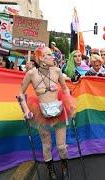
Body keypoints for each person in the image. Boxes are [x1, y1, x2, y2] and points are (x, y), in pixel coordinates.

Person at [18, 47, 75, 180]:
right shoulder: (31, 74)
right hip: (41, 113)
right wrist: (26, 110)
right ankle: (50, 169)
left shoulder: (57, 71)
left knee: (61, 147)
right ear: (41, 59)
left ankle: (64, 166)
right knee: (47, 145)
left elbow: (66, 90)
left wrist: (70, 103)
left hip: (58, 111)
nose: (53, 56)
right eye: (49, 55)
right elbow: (20, 94)